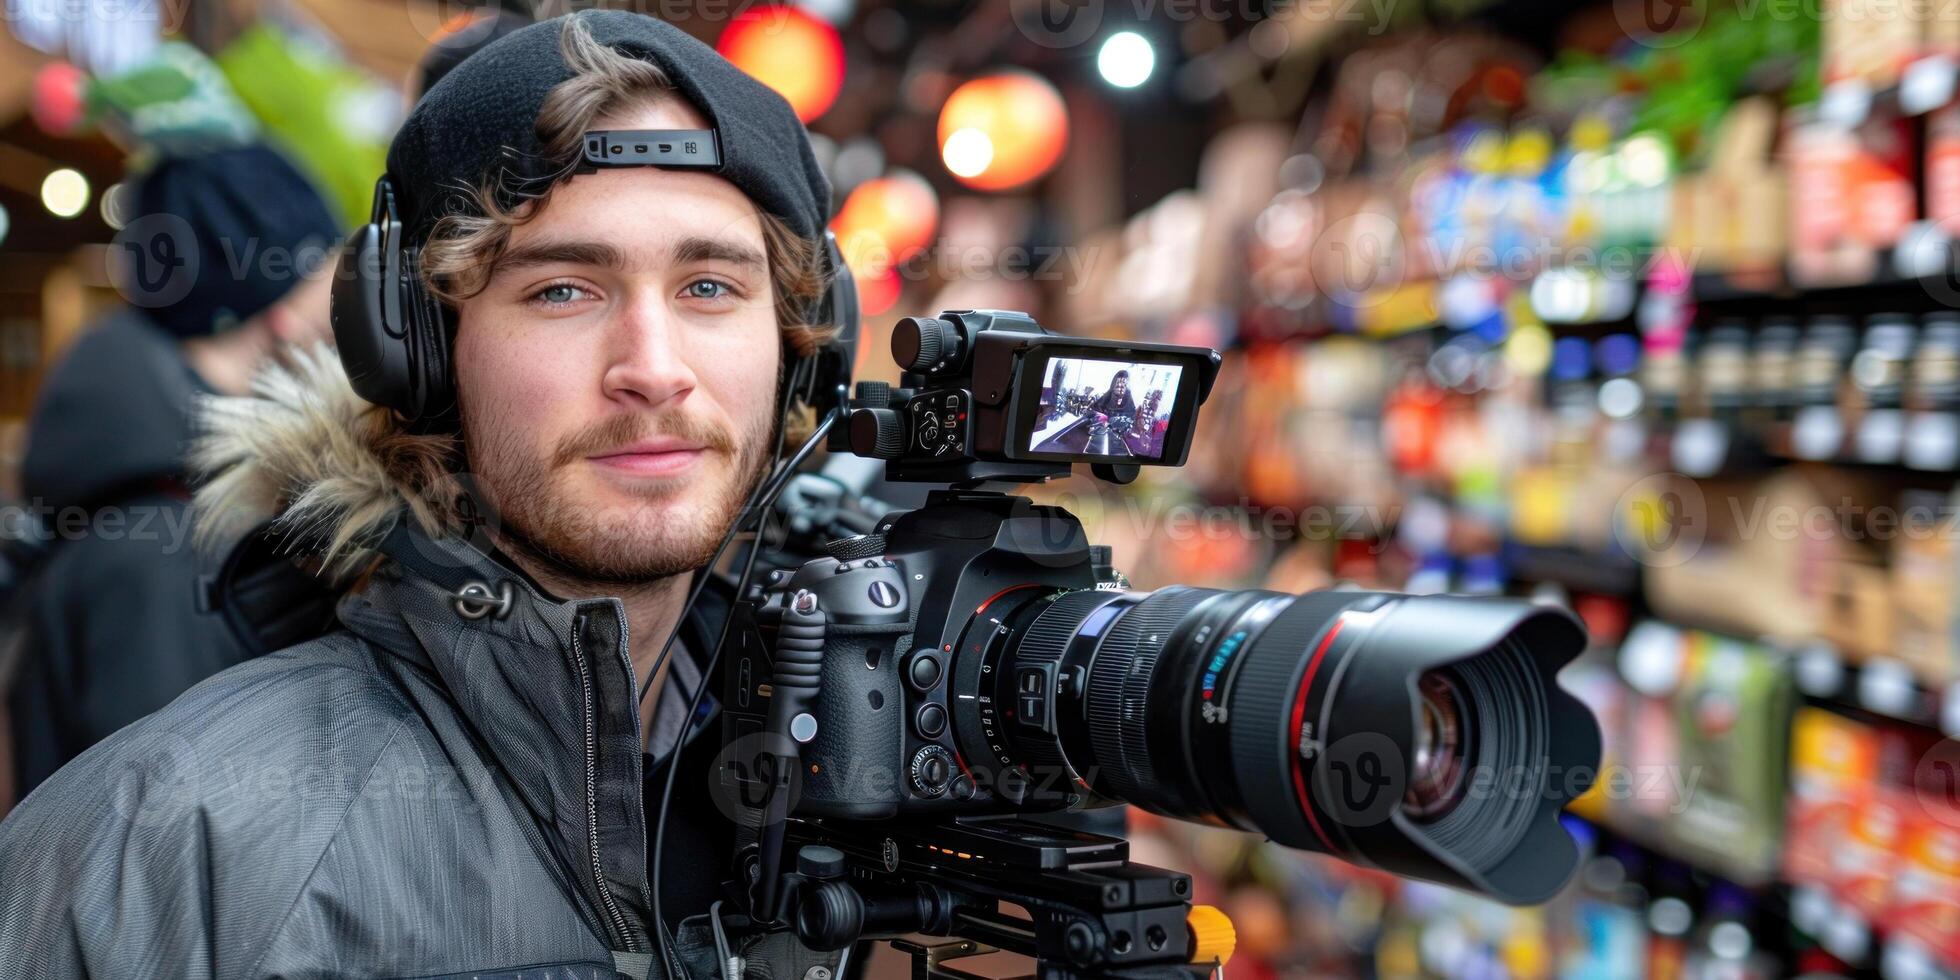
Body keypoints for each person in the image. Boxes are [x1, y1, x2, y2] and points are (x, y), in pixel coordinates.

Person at [0, 11, 836, 978]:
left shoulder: (867, 789)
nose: (653, 370)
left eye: (710, 288)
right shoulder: (166, 846)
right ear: (419, 355)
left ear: (804, 349)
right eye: (562, 288)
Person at [5, 143, 338, 798]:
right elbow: (174, 841)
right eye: (331, 282)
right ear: (279, 314)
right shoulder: (165, 549)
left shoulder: (153, 499)